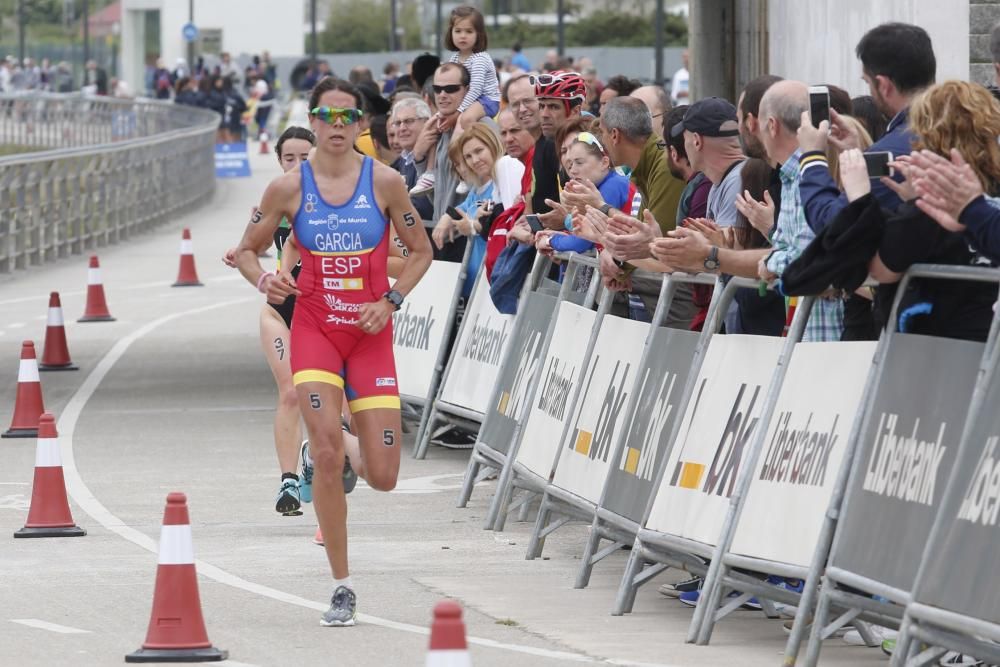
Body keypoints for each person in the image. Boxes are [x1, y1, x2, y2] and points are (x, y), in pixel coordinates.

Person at [234, 78, 432, 627]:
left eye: (348, 117)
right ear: (313, 120)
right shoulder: (287, 188)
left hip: (369, 337)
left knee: (386, 475)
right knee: (320, 451)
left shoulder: (387, 183)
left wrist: (390, 300)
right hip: (316, 331)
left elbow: (421, 251)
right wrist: (264, 282)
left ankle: (347, 447)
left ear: (361, 125)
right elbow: (248, 251)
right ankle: (342, 585)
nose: (338, 126)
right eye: (327, 115)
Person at [221, 127, 319, 515]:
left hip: (325, 309)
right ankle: (288, 482)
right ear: (279, 162)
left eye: (305, 158)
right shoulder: (274, 201)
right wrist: (240, 254)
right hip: (281, 309)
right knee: (291, 392)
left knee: (332, 398)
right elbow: (250, 248)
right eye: (289, 158)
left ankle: (318, 455)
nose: (296, 165)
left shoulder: (339, 199)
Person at [409, 5, 501, 196]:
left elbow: (474, 89)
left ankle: (462, 171)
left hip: (486, 100)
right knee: (436, 121)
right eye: (457, 31)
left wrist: (457, 114)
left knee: (465, 121)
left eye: (469, 31)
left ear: (479, 35)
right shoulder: (454, 58)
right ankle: (430, 172)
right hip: (469, 101)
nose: (463, 36)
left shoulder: (480, 59)